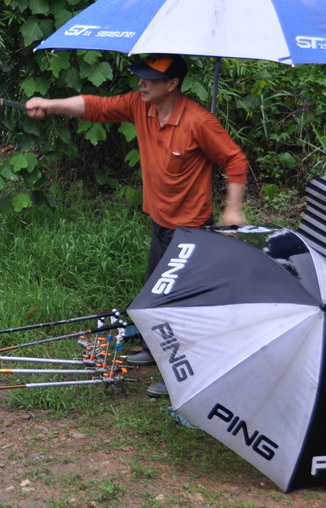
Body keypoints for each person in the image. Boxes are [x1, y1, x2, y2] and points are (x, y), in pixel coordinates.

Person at [25, 54, 248, 398]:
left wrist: (233, 210)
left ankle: (183, 377)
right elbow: (96, 107)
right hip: (160, 222)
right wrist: (50, 105)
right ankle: (155, 350)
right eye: (140, 76)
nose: (141, 83)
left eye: (149, 79)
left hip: (191, 230)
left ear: (172, 84)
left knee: (178, 305)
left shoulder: (198, 121)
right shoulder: (140, 106)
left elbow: (234, 159)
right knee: (153, 293)